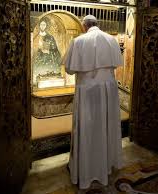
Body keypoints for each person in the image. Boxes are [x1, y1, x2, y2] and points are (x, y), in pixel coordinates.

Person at [64, 15, 123, 189]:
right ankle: (104, 166)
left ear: (84, 26)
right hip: (108, 91)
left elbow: (69, 68)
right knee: (105, 126)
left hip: (87, 92)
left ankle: (86, 170)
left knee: (88, 128)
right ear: (97, 24)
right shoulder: (111, 40)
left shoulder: (79, 41)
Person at [32, 18, 61, 83]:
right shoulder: (36, 37)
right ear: (39, 25)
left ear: (46, 25)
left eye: (44, 24)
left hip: (49, 60)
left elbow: (55, 50)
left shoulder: (50, 37)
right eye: (41, 24)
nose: (42, 26)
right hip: (39, 59)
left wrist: (48, 51)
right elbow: (32, 49)